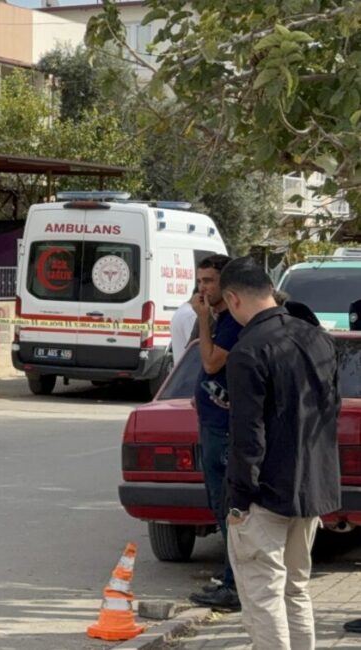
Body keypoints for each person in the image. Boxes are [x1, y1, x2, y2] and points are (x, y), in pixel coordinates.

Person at [222, 256, 340, 650]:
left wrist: (238, 501)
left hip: (265, 495)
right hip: (311, 489)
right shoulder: (317, 338)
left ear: (233, 298)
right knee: (295, 588)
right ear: (270, 290)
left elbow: (248, 435)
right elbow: (330, 411)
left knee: (263, 595)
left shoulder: (247, 351)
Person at [188, 254, 243, 611]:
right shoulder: (220, 318)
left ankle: (234, 586)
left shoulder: (232, 322)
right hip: (212, 422)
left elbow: (210, 362)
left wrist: (203, 319)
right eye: (200, 281)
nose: (202, 288)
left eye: (209, 281)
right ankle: (230, 579)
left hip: (224, 429)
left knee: (227, 508)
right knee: (219, 505)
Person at [169, 288, 198, 366]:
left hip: (182, 368)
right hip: (189, 368)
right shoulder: (191, 315)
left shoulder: (182, 310)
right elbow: (195, 348)